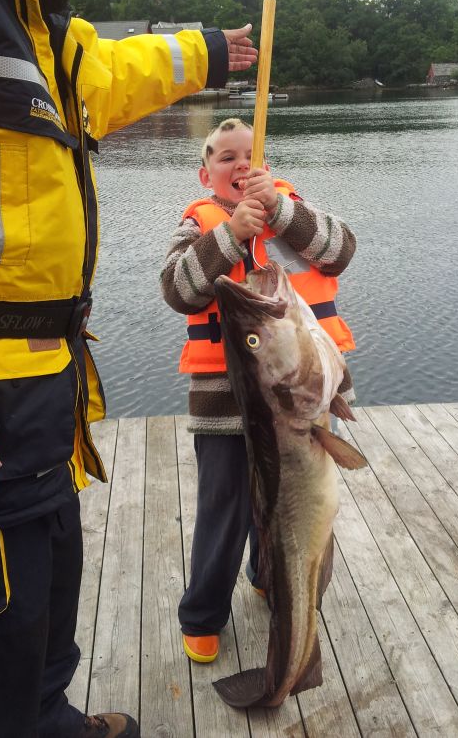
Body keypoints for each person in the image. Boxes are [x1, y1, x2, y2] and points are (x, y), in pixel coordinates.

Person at [0, 0, 257, 735]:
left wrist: (214, 52)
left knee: (45, 598)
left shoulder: (41, 25)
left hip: (48, 387)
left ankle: (48, 717)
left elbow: (120, 71)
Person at [160, 118, 356, 663]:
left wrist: (282, 213)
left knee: (292, 503)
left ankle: (270, 574)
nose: (240, 163)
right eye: (226, 157)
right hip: (228, 403)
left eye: (250, 153)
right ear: (207, 175)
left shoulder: (295, 211)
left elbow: (340, 252)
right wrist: (230, 236)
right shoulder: (199, 224)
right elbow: (177, 289)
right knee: (225, 506)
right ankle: (202, 614)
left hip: (303, 401)